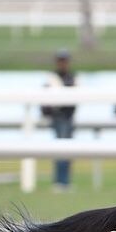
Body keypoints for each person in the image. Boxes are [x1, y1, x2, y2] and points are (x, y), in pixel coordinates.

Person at [41, 49, 77, 191]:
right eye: (61, 61)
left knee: (68, 151)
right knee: (60, 151)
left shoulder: (71, 77)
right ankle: (60, 181)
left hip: (68, 117)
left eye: (65, 61)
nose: (63, 64)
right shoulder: (52, 77)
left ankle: (65, 181)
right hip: (58, 117)